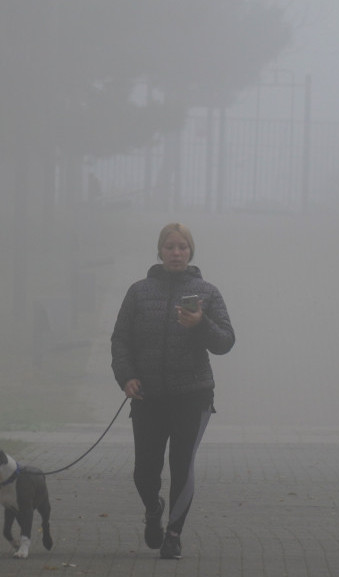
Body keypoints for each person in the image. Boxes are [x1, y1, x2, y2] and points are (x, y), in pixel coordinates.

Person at [111, 222, 235, 559]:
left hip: (192, 395)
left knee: (182, 465)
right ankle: (154, 508)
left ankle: (174, 534)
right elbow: (121, 338)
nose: (176, 253)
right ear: (160, 252)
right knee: (144, 469)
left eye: (182, 247)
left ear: (190, 252)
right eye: (170, 247)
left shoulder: (207, 292)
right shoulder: (138, 291)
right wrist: (127, 376)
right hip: (148, 395)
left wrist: (201, 325)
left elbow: (225, 341)